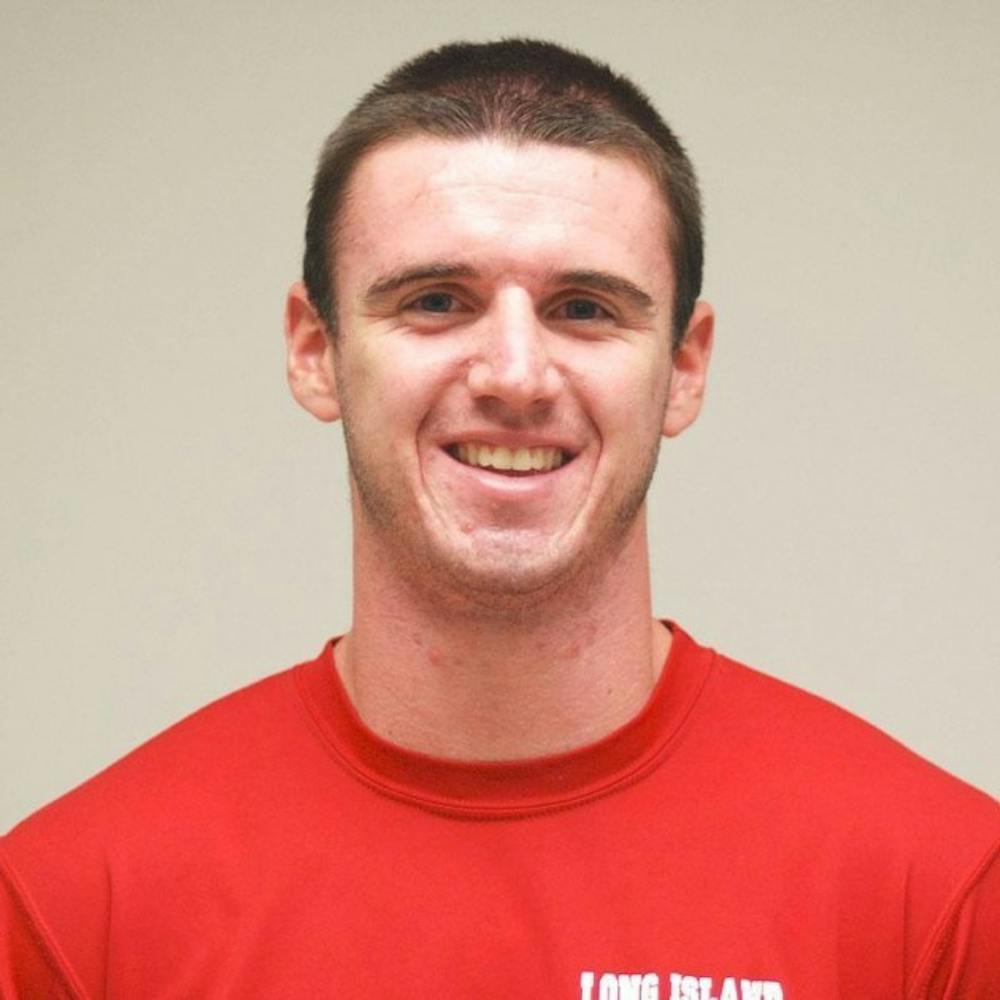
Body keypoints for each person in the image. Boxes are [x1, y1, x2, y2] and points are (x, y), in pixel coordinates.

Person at [1, 37, 997, 999]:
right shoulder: (73, 915)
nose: (516, 376)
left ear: (685, 368)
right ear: (315, 350)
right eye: (437, 300)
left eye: (585, 308)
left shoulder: (941, 898)